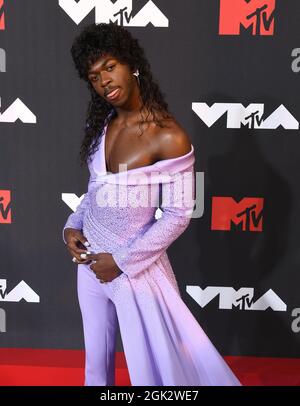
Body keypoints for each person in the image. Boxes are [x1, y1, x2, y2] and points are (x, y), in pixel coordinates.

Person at [63, 22, 241, 386]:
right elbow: (95, 191)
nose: (104, 81)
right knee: (95, 369)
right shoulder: (101, 126)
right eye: (94, 76)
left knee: (152, 375)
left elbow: (177, 215)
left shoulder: (168, 136)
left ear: (132, 64)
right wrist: (71, 226)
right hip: (89, 267)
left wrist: (121, 262)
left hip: (133, 273)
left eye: (110, 67)